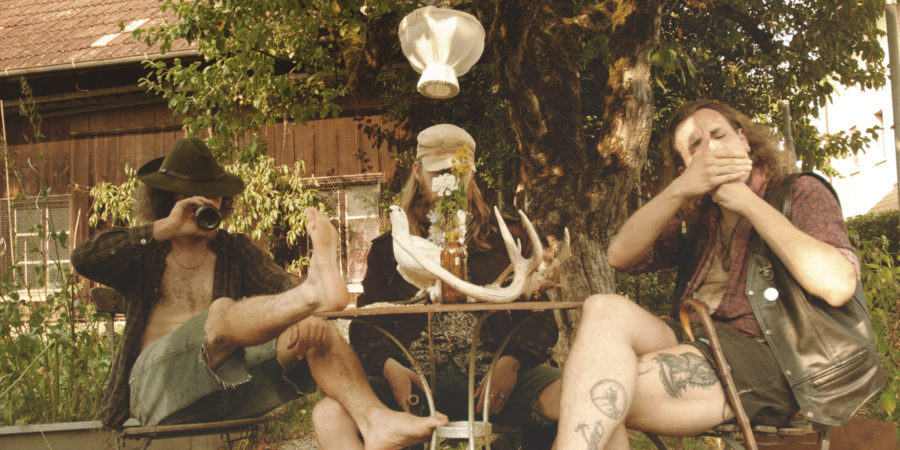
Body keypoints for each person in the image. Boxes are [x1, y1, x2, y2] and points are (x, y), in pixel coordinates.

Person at [71, 137, 446, 448]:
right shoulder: (145, 251)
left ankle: (374, 420)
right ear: (167, 199)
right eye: (195, 196)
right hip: (154, 393)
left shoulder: (233, 250)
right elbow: (84, 259)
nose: (209, 204)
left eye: (215, 195)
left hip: (224, 391)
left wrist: (304, 314)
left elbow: (282, 286)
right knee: (221, 314)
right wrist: (165, 228)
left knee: (316, 326)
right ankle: (314, 293)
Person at [556, 100, 883, 449]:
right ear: (685, 168)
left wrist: (747, 202)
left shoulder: (799, 192)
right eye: (695, 146)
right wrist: (679, 189)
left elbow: (837, 286)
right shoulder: (700, 217)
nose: (711, 148)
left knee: (594, 397)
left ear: (744, 140)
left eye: (718, 134)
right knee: (603, 307)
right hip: (696, 339)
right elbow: (619, 256)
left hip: (775, 357)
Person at [312, 124, 562, 449]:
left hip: (492, 377)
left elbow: (541, 318)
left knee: (576, 395)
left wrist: (512, 361)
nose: (449, 182)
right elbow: (367, 326)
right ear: (418, 172)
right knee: (331, 413)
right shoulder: (389, 249)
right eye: (438, 172)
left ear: (471, 174)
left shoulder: (507, 241)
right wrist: (389, 367)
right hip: (414, 379)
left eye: (457, 172)